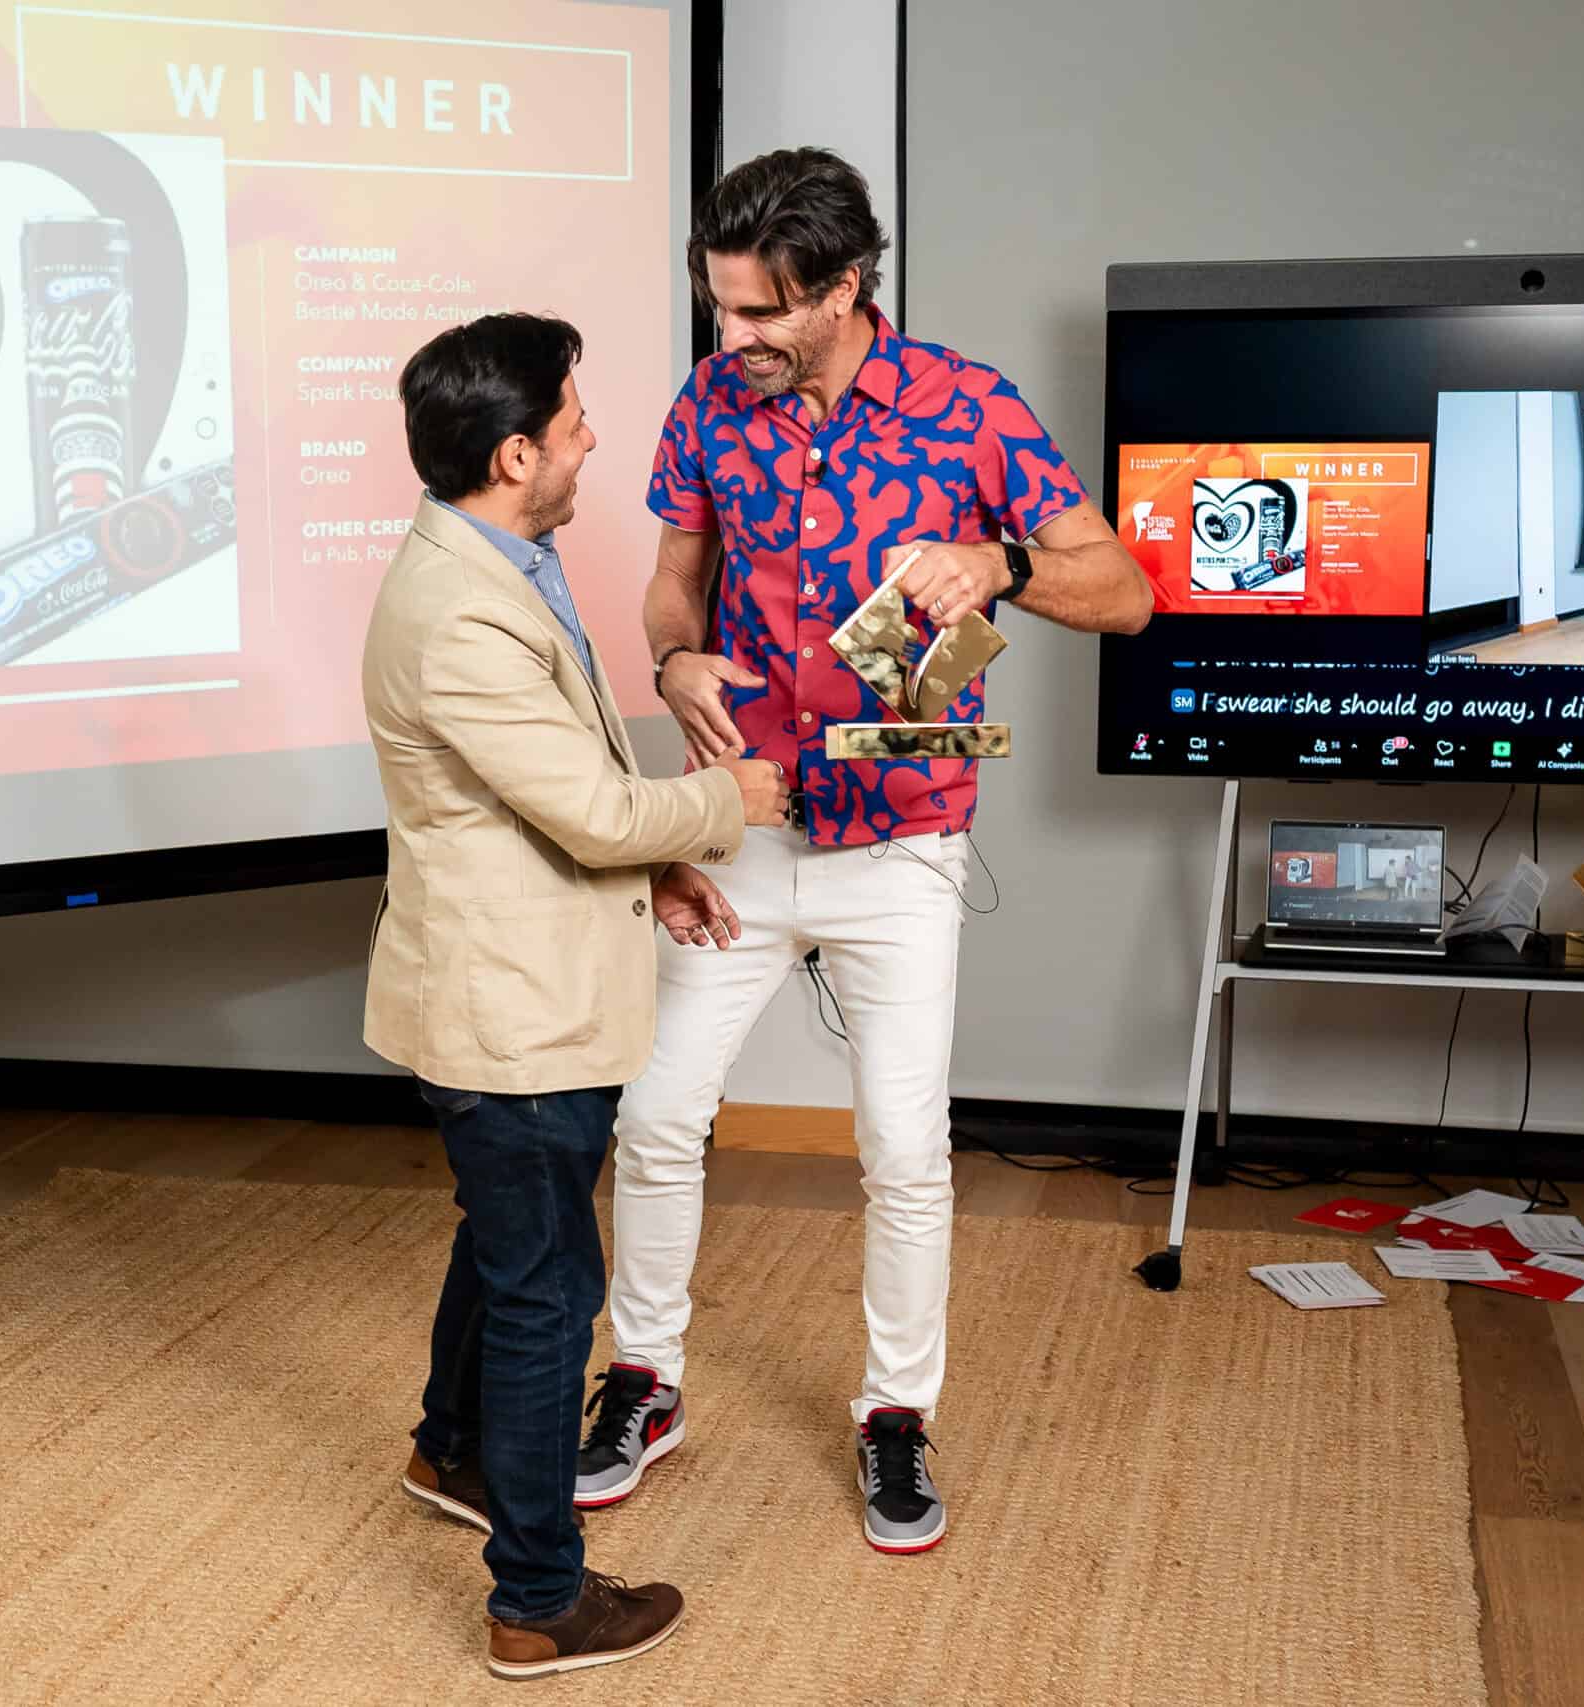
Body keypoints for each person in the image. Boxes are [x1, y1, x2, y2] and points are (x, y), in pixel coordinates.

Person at [576, 148, 1153, 1554]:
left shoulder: (971, 408)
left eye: (761, 310)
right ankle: (644, 1379)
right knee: (655, 1118)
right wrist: (672, 661)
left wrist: (1002, 566)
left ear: (843, 288)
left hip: (903, 842)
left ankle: (897, 1411)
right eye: (721, 305)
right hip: (740, 822)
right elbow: (672, 580)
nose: (733, 335)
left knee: (903, 1148)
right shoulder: (710, 405)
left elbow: (1127, 592)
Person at [362, 312, 790, 1678]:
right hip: (515, 1011)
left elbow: (556, 786)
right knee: (550, 1290)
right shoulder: (460, 612)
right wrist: (728, 801)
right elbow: (595, 805)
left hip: (518, 981)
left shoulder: (500, 559)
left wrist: (660, 862)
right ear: (514, 454)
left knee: (504, 1239)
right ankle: (539, 1599)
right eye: (572, 421)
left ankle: (453, 1449)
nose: (592, 437)